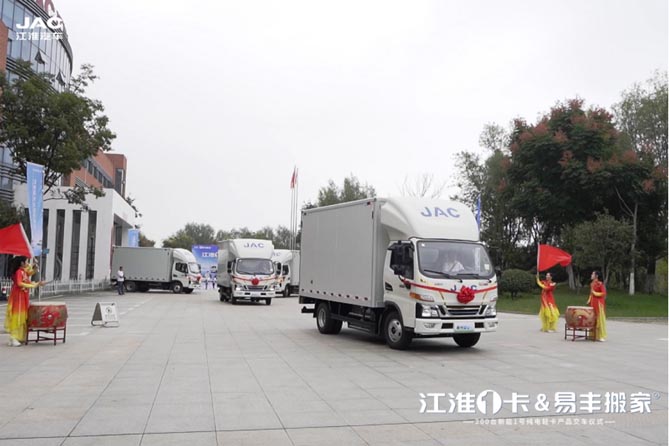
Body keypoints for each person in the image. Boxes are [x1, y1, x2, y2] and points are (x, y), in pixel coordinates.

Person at [4, 256, 45, 347]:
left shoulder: (23, 271)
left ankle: (17, 337)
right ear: (22, 263)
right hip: (18, 296)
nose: (27, 263)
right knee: (17, 316)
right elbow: (19, 283)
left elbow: (29, 275)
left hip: (23, 296)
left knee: (22, 316)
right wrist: (35, 285)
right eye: (26, 262)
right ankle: (13, 337)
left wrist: (35, 271)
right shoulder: (19, 272)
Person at [588, 270, 607, 341]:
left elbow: (603, 293)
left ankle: (601, 336)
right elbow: (591, 294)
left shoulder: (600, 284)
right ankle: (593, 335)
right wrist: (589, 299)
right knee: (593, 319)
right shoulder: (592, 284)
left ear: (596, 276)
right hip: (593, 303)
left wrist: (595, 293)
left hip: (599, 304)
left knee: (599, 319)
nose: (591, 275)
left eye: (592, 274)